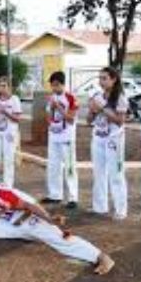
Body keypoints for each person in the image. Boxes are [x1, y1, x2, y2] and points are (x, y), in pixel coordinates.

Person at [0, 165, 115, 275]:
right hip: (16, 223)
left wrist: (50, 219)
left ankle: (102, 257)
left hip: (32, 222)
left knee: (62, 241)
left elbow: (30, 205)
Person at [87, 67, 128, 220]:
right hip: (98, 137)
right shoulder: (97, 95)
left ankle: (120, 209)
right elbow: (89, 121)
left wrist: (103, 107)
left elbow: (120, 121)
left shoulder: (120, 98)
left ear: (113, 79)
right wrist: (92, 111)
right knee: (98, 172)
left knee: (116, 174)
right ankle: (100, 206)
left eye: (104, 78)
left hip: (114, 139)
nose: (101, 81)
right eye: (100, 78)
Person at [42, 72, 79, 209]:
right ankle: (55, 195)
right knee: (53, 166)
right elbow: (47, 115)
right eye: (52, 85)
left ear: (63, 84)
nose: (54, 88)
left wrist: (58, 107)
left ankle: (73, 197)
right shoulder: (51, 97)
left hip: (67, 137)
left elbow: (70, 118)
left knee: (69, 167)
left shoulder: (70, 98)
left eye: (56, 85)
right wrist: (51, 125)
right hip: (54, 137)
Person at [0, 76, 22, 187]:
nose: (1, 88)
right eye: (0, 86)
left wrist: (5, 112)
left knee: (8, 158)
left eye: (4, 86)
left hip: (9, 134)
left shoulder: (14, 99)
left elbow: (17, 119)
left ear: (9, 87)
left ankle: (7, 184)